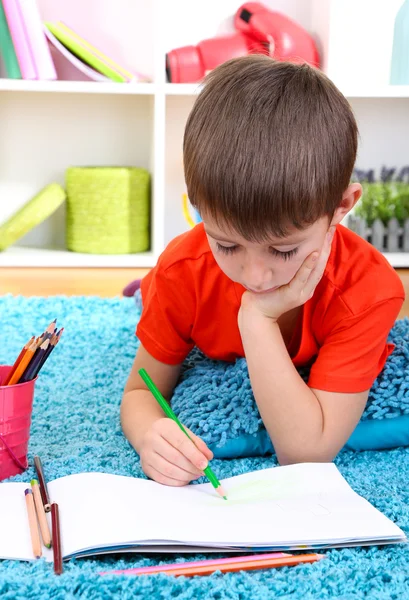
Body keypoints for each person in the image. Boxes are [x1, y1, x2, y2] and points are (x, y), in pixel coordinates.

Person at [121, 55, 404, 487]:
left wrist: (257, 317)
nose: (255, 277)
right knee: (160, 288)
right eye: (227, 244)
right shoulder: (183, 269)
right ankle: (143, 291)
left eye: (284, 249)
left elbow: (305, 452)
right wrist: (148, 435)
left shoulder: (366, 288)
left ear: (341, 208)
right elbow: (141, 391)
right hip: (178, 282)